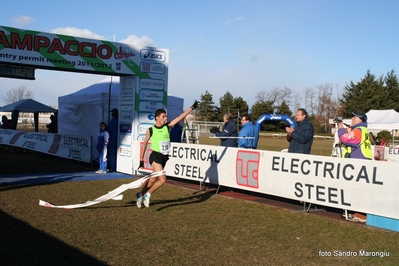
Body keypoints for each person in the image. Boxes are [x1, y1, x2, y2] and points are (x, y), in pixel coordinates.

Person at [136, 100, 199, 208]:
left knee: (152, 179)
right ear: (157, 117)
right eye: (163, 117)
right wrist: (141, 159)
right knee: (162, 179)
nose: (165, 118)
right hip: (155, 156)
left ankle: (140, 194)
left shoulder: (167, 126)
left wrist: (191, 108)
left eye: (166, 117)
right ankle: (147, 194)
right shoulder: (151, 130)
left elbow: (180, 117)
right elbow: (145, 144)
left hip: (164, 157)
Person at [338, 112, 372, 223]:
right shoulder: (362, 130)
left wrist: (340, 129)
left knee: (358, 189)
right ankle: (357, 212)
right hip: (362, 161)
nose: (352, 118)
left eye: (355, 117)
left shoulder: (359, 130)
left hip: (358, 162)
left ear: (360, 120)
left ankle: (360, 214)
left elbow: (346, 139)